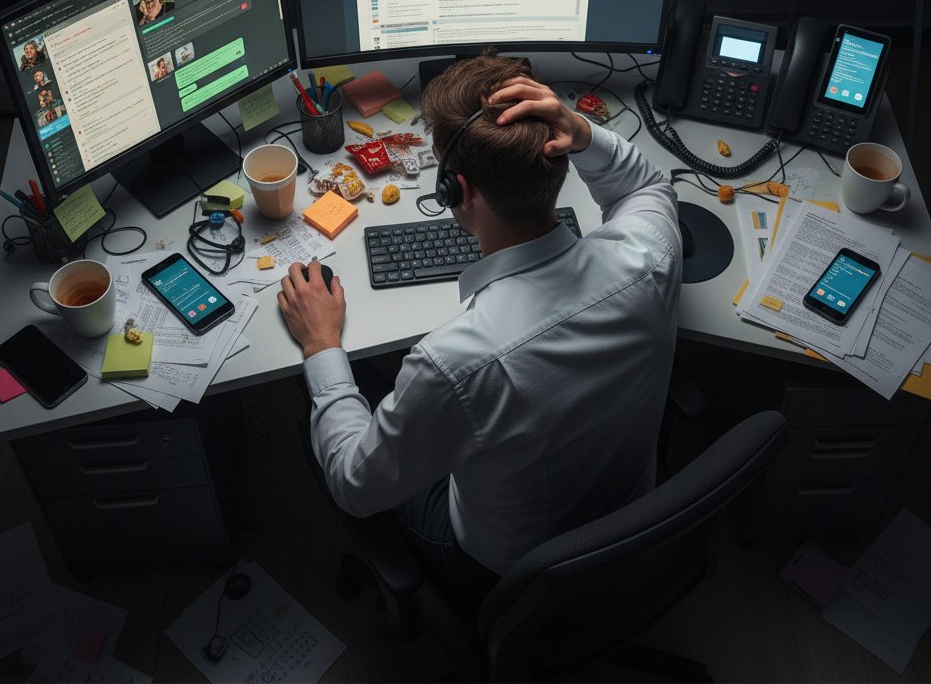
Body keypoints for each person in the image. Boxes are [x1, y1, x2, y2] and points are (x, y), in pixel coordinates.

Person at [277, 51, 682, 595]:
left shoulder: (453, 363)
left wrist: (321, 343)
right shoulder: (652, 255)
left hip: (505, 568)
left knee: (335, 392)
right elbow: (646, 188)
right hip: (632, 517)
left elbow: (353, 484)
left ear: (455, 192)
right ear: (560, 157)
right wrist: (582, 131)